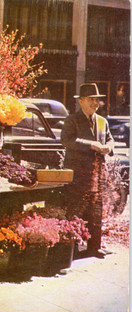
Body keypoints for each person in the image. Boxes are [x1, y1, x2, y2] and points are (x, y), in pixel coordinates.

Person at [61, 83, 115, 258]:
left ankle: (94, 246)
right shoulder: (72, 120)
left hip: (97, 174)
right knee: (76, 209)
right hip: (78, 173)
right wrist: (91, 145)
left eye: (97, 100)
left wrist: (108, 147)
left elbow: (110, 139)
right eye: (91, 100)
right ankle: (73, 247)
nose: (95, 103)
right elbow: (67, 141)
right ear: (81, 101)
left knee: (96, 211)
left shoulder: (102, 121)